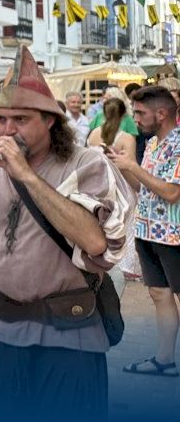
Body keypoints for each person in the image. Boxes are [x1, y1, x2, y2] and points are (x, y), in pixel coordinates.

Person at [0, 45, 135, 419]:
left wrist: (27, 176)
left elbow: (96, 242)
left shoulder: (87, 163)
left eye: (20, 119)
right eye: (1, 119)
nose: (7, 130)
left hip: (70, 335)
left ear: (50, 120)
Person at [106, 86, 180, 377]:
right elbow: (144, 188)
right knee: (159, 295)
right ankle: (165, 360)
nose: (134, 118)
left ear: (161, 114)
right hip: (148, 232)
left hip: (174, 235)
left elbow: (172, 193)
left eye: (140, 113)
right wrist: (123, 167)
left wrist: (132, 167)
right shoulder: (152, 144)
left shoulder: (178, 144)